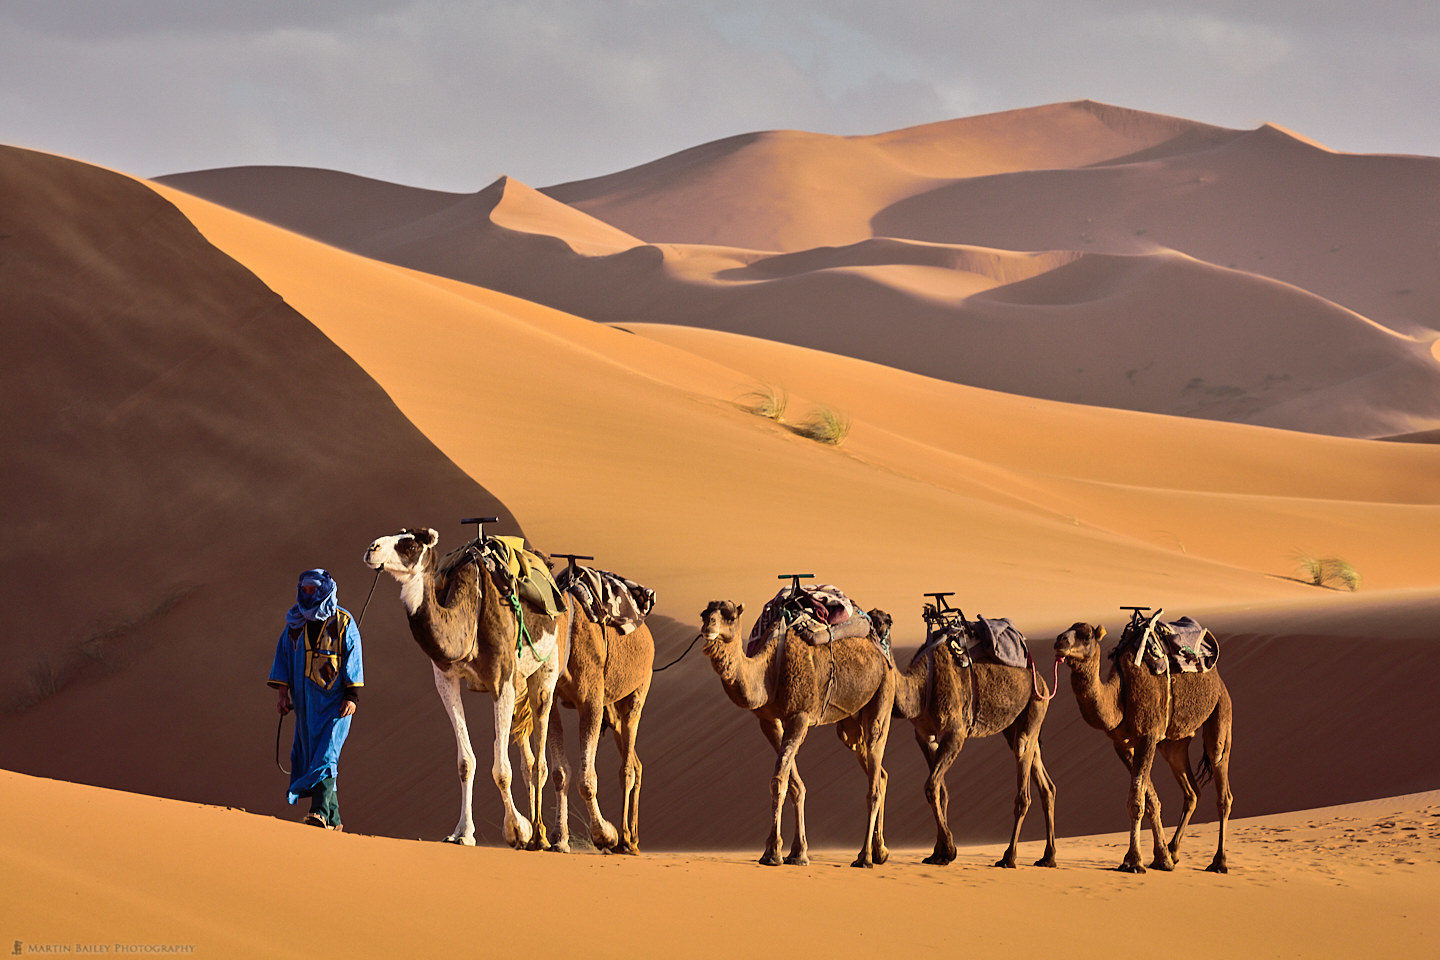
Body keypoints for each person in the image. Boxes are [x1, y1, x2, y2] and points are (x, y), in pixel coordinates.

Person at [267, 568, 363, 830]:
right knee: (313, 756)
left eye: (313, 589)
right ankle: (335, 819)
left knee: (327, 754)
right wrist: (283, 695)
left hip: (335, 704)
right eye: (305, 589)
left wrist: (352, 695)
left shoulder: (342, 621)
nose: (308, 594)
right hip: (305, 707)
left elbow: (353, 655)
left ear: (323, 589)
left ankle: (319, 813)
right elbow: (283, 658)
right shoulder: (295, 623)